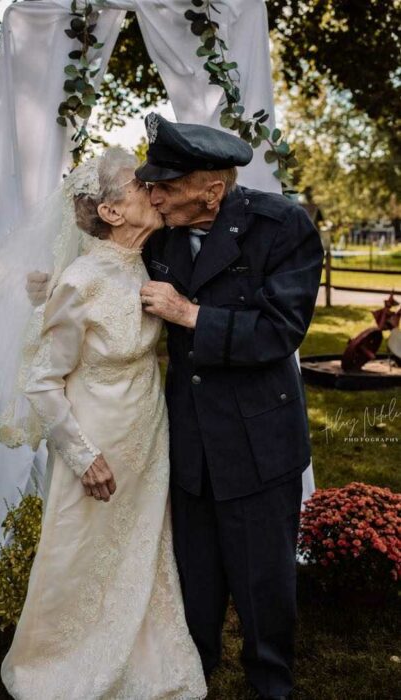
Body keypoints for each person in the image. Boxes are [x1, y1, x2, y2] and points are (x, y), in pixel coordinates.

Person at [0, 147, 207, 700]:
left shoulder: (146, 260)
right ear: (112, 213)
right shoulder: (81, 281)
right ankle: (58, 663)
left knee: (141, 545)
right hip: (97, 440)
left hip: (147, 432)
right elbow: (44, 380)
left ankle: (143, 652)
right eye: (142, 186)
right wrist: (81, 454)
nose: (155, 192)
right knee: (81, 550)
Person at [135, 114, 324, 700]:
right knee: (196, 573)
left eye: (166, 185)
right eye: (152, 183)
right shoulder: (159, 232)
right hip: (188, 436)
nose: (153, 194)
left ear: (211, 191)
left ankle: (270, 680)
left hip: (257, 439)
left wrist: (189, 314)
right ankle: (194, 671)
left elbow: (279, 332)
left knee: (263, 578)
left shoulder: (283, 226)